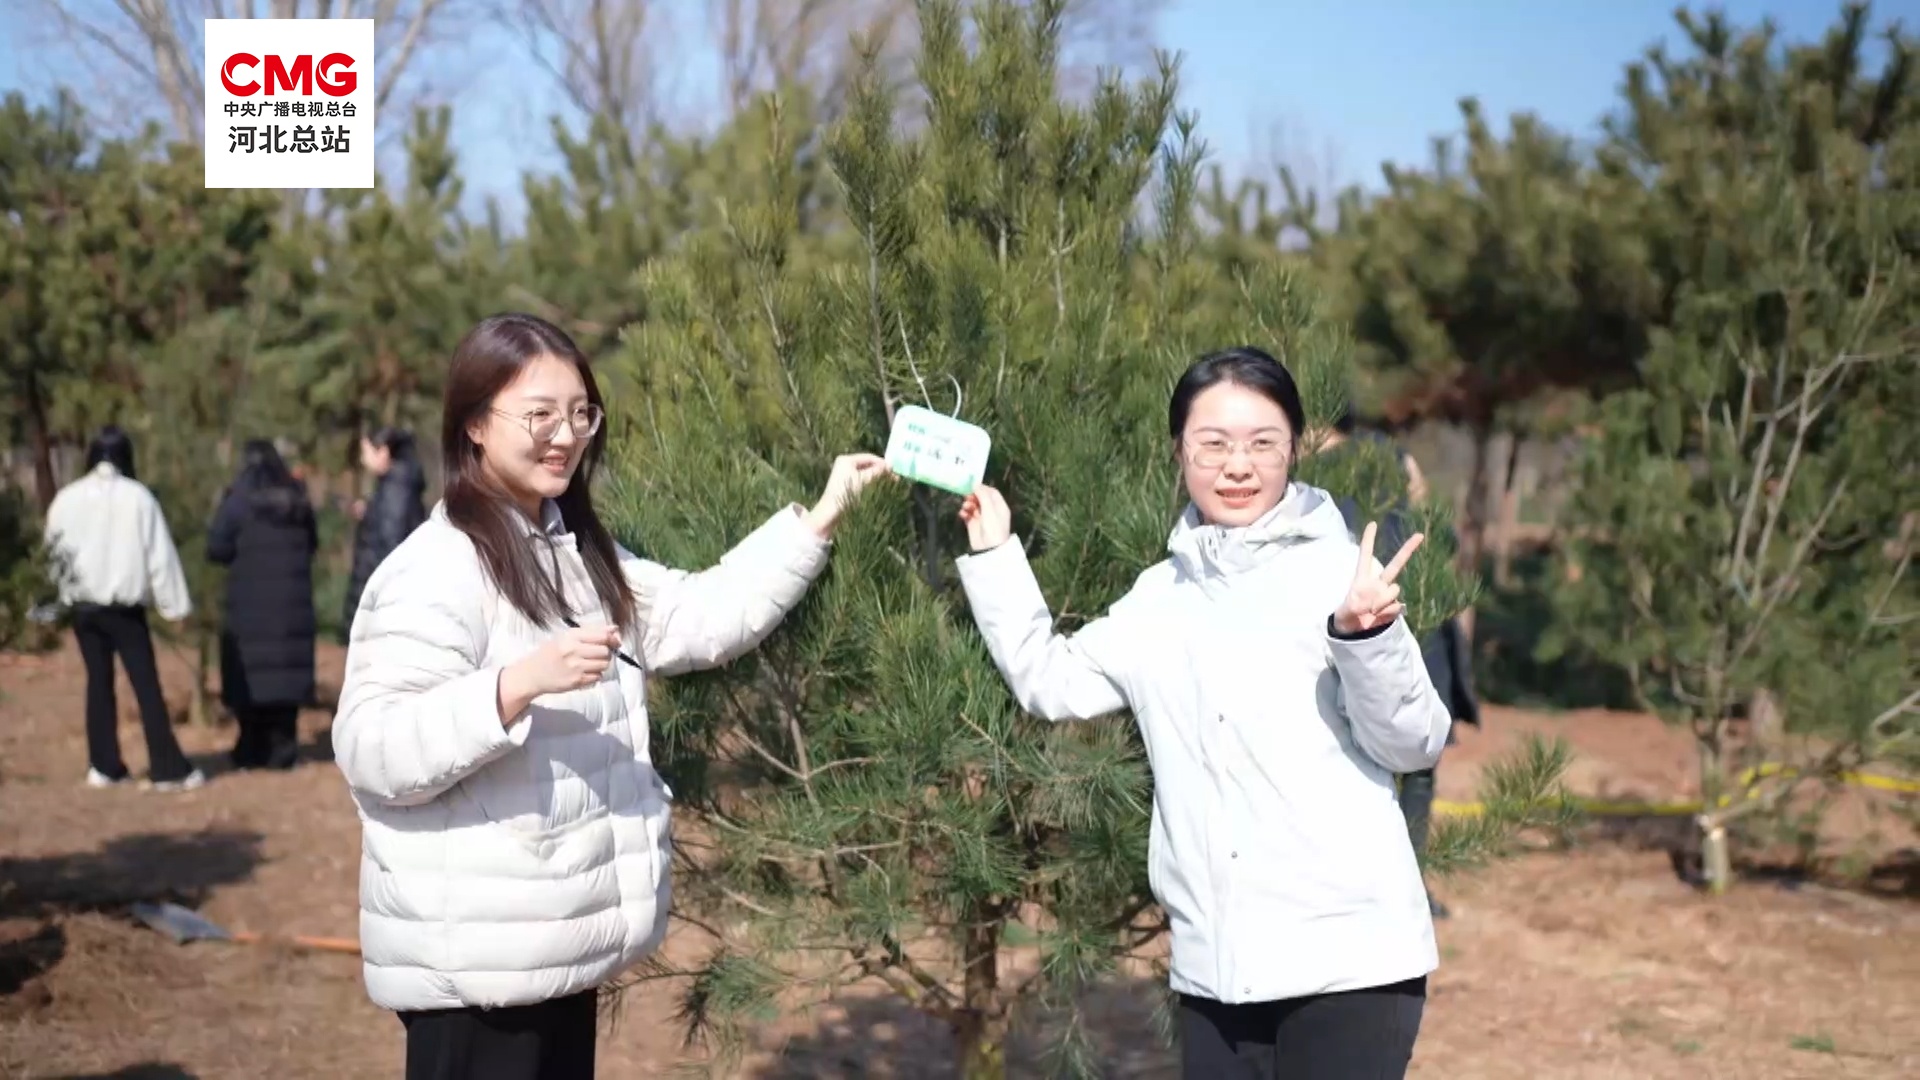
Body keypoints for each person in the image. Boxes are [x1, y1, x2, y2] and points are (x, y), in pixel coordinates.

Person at [330, 313, 889, 1080]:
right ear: (475, 427)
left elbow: (697, 615)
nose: (565, 435)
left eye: (580, 413)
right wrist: (515, 685)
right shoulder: (435, 570)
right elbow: (373, 749)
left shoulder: (575, 554)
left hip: (557, 943)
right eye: (540, 415)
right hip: (479, 969)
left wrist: (819, 519)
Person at [955, 347, 1450, 1079]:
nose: (1237, 466)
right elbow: (1051, 681)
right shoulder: (1159, 598)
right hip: (1217, 974)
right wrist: (997, 553)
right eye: (1212, 444)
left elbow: (1414, 743)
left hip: (1349, 966)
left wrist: (1365, 639)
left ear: (1294, 449)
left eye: (1262, 443)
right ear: (1178, 451)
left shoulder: (1341, 575)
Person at [1318, 406, 1482, 919]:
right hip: (1416, 621)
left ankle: (1365, 891)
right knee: (1419, 771)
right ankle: (1410, 888)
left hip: (1348, 634)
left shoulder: (1301, 480)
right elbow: (1437, 536)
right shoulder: (1397, 458)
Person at [42, 425, 205, 791]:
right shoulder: (138, 498)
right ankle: (167, 768)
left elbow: (52, 558)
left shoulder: (67, 499)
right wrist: (175, 607)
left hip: (84, 609)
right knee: (146, 685)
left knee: (98, 683)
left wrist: (46, 610)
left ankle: (104, 766)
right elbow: (160, 558)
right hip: (125, 611)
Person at [207, 439, 320, 772]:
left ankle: (251, 749)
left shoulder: (238, 502)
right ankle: (283, 750)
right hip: (291, 608)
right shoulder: (298, 501)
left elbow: (216, 548)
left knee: (251, 678)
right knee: (285, 679)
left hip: (249, 606)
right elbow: (312, 544)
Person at [341, 426, 428, 638]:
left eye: (366, 452)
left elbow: (391, 544)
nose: (363, 460)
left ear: (383, 452)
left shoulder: (395, 488)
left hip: (384, 609)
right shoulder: (397, 484)